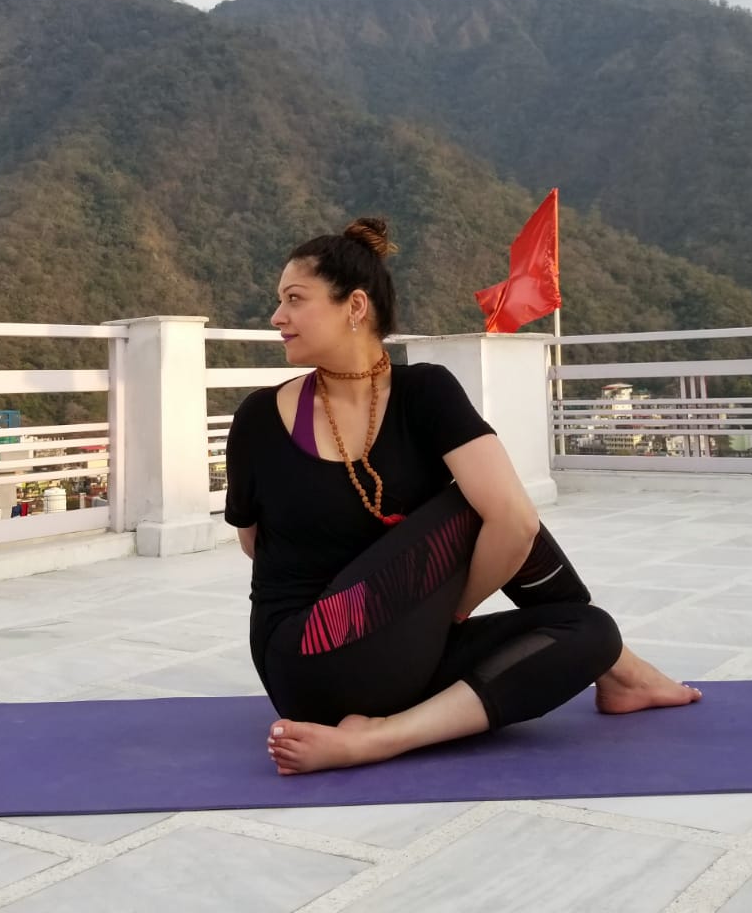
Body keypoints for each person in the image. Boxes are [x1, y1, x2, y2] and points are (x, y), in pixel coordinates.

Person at [224, 217, 701, 776]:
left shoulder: (415, 395)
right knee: (486, 504)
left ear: (355, 308)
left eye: (294, 300)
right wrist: (448, 607)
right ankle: (625, 673)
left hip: (349, 670)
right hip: (310, 653)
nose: (277, 317)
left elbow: (255, 545)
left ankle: (384, 734)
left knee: (588, 631)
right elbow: (514, 522)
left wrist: (411, 611)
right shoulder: (266, 416)